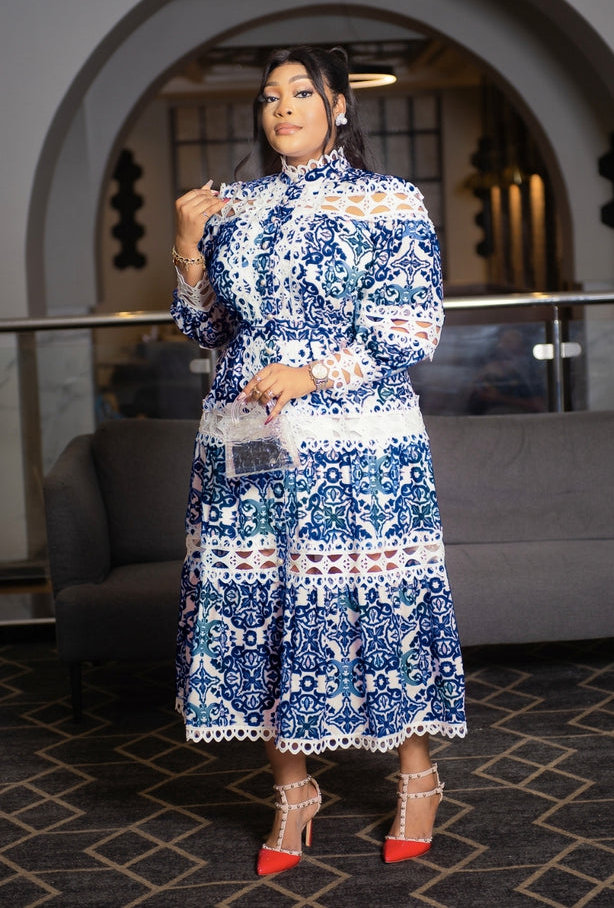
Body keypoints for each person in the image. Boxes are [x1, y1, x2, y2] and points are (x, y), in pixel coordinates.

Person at [171, 45, 466, 876]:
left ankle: (418, 777)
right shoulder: (234, 204)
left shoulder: (388, 199)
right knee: (260, 601)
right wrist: (188, 245)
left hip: (358, 443)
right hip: (246, 435)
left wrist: (310, 373)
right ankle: (293, 791)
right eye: (270, 95)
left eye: (302, 92)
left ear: (339, 106)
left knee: (377, 601)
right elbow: (208, 327)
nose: (283, 108)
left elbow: (413, 326)